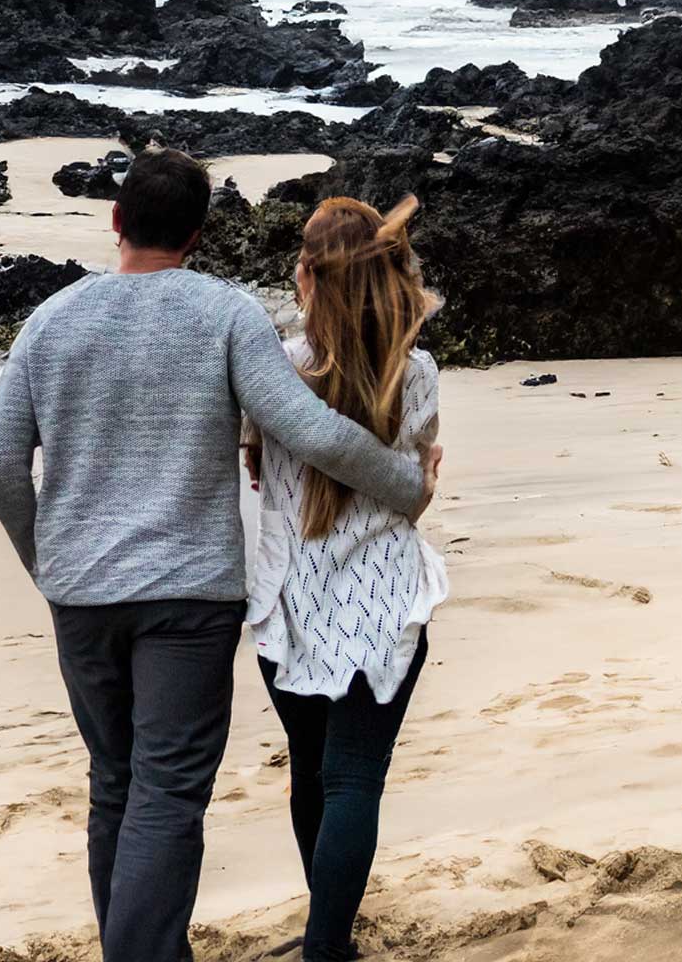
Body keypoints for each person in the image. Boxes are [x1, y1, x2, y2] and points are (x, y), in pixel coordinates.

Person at [0, 149, 439, 962]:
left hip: (81, 595)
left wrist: (46, 564)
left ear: (115, 220)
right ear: (198, 233)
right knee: (165, 792)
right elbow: (315, 431)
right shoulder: (225, 315)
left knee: (113, 785)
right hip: (189, 600)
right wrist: (406, 486)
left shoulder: (48, 322)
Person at [243, 195, 449, 962]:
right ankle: (328, 942)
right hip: (386, 603)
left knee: (311, 772)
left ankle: (326, 935)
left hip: (291, 604)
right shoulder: (418, 371)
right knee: (354, 777)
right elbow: (420, 474)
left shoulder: (275, 370)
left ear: (307, 277)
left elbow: (258, 465)